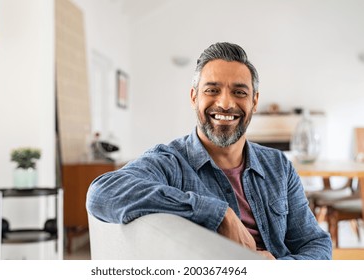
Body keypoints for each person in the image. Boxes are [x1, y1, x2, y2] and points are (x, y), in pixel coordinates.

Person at [86, 42, 332, 260]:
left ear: (254, 102)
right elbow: (102, 193)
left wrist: (276, 268)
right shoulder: (170, 162)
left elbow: (315, 243)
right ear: (194, 97)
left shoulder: (278, 165)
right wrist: (217, 213)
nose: (225, 103)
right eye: (212, 90)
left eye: (239, 92)